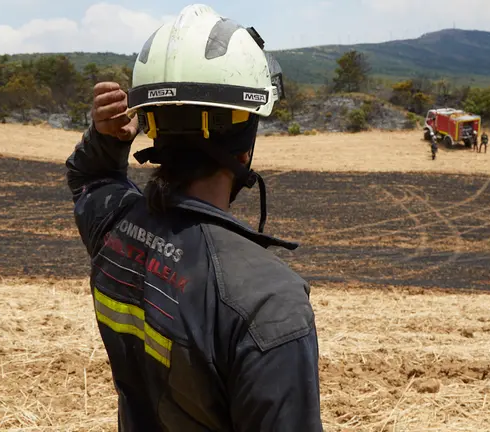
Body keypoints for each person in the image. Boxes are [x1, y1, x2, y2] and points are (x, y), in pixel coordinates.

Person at [65, 5, 322, 431]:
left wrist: (104, 140)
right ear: (244, 142)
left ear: (154, 127)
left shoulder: (116, 228)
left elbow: (89, 179)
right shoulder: (268, 300)